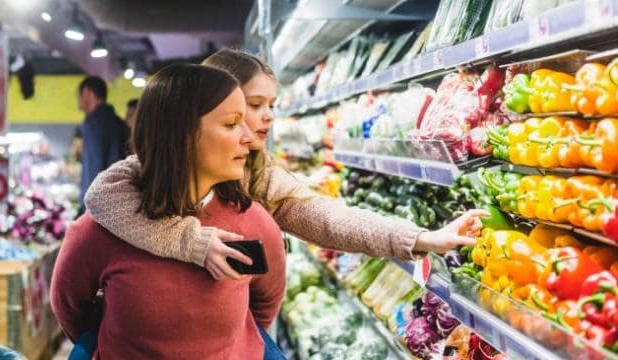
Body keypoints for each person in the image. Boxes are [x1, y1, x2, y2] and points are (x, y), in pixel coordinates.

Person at [85, 49, 487, 281]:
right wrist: (188, 240)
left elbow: (327, 218)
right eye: (252, 106)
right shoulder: (149, 172)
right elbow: (103, 197)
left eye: (269, 106)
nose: (266, 118)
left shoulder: (257, 174)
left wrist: (420, 238)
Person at [51, 64, 286, 359]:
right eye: (231, 124)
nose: (249, 138)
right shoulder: (98, 231)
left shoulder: (253, 222)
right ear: (182, 134)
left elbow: (264, 304)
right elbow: (70, 306)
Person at [77, 76, 130, 210]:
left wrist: (87, 207)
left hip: (99, 206)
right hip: (118, 200)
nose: (78, 100)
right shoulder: (117, 121)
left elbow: (93, 167)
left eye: (79, 95)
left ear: (88, 93)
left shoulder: (94, 123)